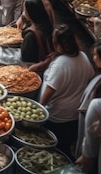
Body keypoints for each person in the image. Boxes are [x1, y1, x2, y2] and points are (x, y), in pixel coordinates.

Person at [40, 24, 95, 159]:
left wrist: (38, 112)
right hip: (74, 115)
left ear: (58, 44)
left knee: (53, 151)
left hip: (58, 116)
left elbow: (49, 92)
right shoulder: (83, 57)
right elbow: (90, 78)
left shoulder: (61, 64)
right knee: (65, 149)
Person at [19, 0, 55, 72]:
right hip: (48, 63)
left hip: (35, 68)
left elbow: (25, 58)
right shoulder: (48, 24)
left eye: (25, 10)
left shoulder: (31, 36)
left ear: (29, 14)